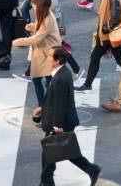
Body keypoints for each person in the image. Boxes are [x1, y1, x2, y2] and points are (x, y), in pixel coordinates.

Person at [35, 46, 101, 186]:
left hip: (60, 122)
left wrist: (57, 126)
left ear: (58, 60)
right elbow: (55, 98)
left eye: (50, 56)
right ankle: (47, 181)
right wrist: (42, 108)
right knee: (57, 150)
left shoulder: (60, 78)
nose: (47, 57)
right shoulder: (62, 72)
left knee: (54, 150)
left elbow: (60, 104)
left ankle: (47, 182)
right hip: (60, 119)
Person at [13, 0, 60, 119]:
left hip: (48, 54)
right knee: (41, 79)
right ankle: (44, 107)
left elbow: (36, 39)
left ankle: (45, 108)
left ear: (40, 6)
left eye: (34, 4)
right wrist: (33, 26)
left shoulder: (47, 18)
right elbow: (41, 30)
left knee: (46, 81)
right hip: (44, 52)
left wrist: (17, 41)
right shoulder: (44, 14)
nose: (32, 6)